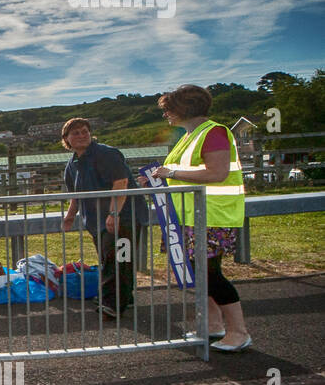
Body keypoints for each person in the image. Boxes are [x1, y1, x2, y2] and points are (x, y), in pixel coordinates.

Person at [150, 84, 250, 351]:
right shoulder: (189, 136)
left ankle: (238, 332)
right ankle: (214, 326)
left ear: (184, 108)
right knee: (198, 273)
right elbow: (181, 171)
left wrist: (170, 173)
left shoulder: (214, 132)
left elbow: (216, 173)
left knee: (211, 275)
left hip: (212, 215)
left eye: (169, 109)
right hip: (191, 216)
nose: (166, 115)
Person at [59, 118, 139, 317]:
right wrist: (69, 216)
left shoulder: (106, 154)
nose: (81, 135)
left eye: (84, 131)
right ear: (66, 139)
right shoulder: (72, 164)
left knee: (118, 260)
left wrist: (114, 213)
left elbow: (120, 182)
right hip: (96, 221)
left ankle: (112, 303)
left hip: (123, 217)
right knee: (109, 259)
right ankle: (123, 298)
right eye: (75, 133)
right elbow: (75, 195)